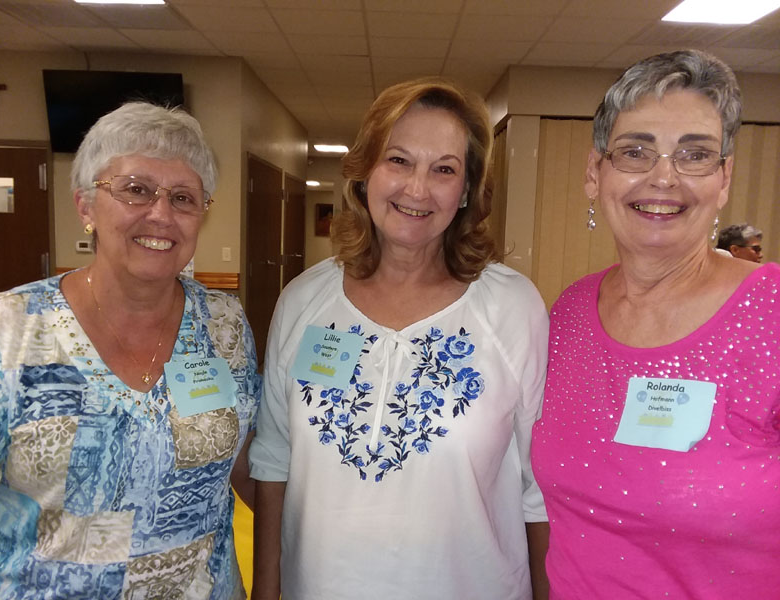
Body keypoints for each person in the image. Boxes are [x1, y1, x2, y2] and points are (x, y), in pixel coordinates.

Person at [249, 78, 549, 600]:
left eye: (444, 169)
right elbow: (273, 458)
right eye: (398, 160)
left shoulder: (512, 308)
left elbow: (537, 487)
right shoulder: (303, 301)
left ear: (466, 191)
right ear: (365, 172)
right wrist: (266, 590)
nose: (417, 188)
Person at [0, 102, 261, 598]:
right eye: (135, 190)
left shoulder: (223, 325)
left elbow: (244, 464)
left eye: (183, 197)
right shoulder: (5, 330)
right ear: (85, 206)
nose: (161, 214)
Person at [531, 50, 780, 599]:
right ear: (595, 174)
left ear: (723, 178)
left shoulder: (772, 314)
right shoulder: (570, 312)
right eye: (635, 151)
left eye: (695, 155)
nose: (664, 177)